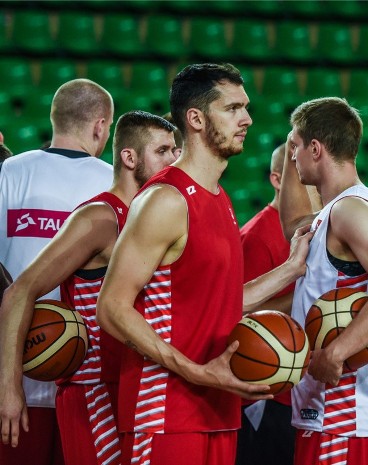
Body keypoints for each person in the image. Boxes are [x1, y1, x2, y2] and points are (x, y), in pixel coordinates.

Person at [96, 63, 311, 465]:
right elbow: (111, 307)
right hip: (164, 411)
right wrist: (195, 371)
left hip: (217, 409)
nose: (247, 119)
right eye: (232, 109)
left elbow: (221, 302)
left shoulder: (220, 198)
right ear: (195, 119)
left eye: (245, 108)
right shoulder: (165, 200)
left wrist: (292, 268)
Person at [0, 111, 178, 465]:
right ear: (129, 157)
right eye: (164, 151)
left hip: (133, 386)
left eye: (176, 150)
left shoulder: (153, 217)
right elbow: (20, 290)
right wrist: (9, 387)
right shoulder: (99, 216)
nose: (174, 159)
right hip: (92, 388)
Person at [277, 97, 368, 465]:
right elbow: (294, 222)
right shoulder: (333, 210)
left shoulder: (351, 209)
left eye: (296, 146)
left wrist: (337, 353)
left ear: (315, 148)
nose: (291, 157)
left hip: (349, 415)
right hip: (330, 415)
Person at [0, 78, 114, 465]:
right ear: (100, 126)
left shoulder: (10, 172)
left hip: (13, 375)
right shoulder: (113, 183)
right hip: (86, 380)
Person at [235, 143, 297, 465]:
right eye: (299, 173)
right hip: (269, 392)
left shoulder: (307, 228)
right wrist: (305, 298)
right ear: (277, 179)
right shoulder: (258, 235)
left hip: (294, 389)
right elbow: (243, 314)